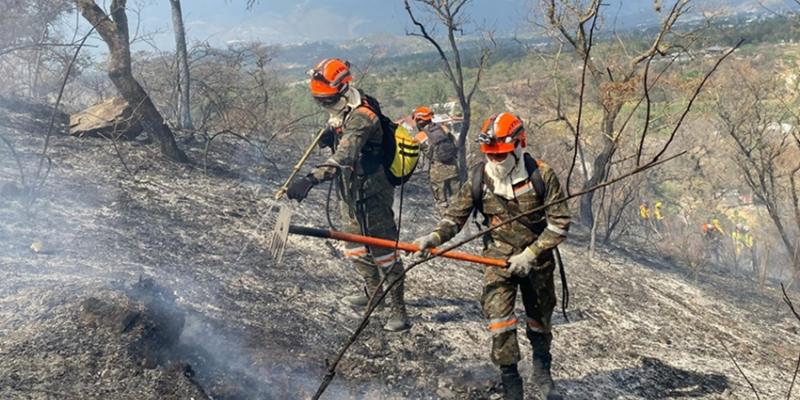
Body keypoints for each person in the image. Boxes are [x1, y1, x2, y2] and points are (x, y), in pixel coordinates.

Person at [412, 112, 570, 399]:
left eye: (501, 155)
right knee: (500, 322)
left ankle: (543, 372)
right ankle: (511, 382)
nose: (495, 161)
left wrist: (531, 254)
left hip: (537, 262)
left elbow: (559, 224)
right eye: (491, 155)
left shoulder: (542, 175)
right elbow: (454, 218)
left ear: (518, 146)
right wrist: (434, 238)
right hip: (496, 260)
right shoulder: (478, 176)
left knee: (539, 321)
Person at [285, 58, 409, 332]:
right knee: (354, 248)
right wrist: (330, 135)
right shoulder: (343, 110)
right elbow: (340, 141)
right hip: (349, 192)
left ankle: (398, 310)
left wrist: (310, 179)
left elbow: (344, 156)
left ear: (343, 90)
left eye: (327, 100)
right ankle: (374, 294)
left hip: (373, 193)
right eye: (320, 100)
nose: (324, 105)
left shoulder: (363, 116)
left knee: (383, 252)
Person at [411, 106, 461, 216]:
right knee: (458, 200)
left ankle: (447, 224)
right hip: (453, 167)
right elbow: (455, 143)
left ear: (419, 121)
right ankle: (464, 226)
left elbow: (412, 156)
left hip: (437, 173)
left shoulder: (419, 137)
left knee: (442, 203)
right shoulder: (443, 128)